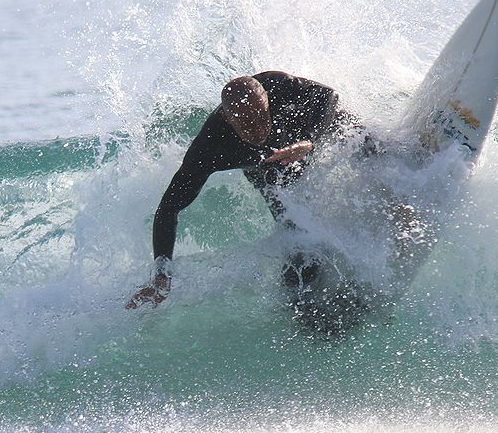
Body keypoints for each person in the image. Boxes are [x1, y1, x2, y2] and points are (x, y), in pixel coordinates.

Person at [126, 70, 347, 309]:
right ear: (227, 119)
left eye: (261, 117)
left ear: (268, 101)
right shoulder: (210, 146)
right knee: (298, 241)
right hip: (268, 171)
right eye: (246, 124)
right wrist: (161, 275)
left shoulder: (277, 85)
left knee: (354, 133)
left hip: (307, 135)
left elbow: (329, 96)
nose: (258, 130)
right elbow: (169, 208)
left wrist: (309, 141)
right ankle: (315, 305)